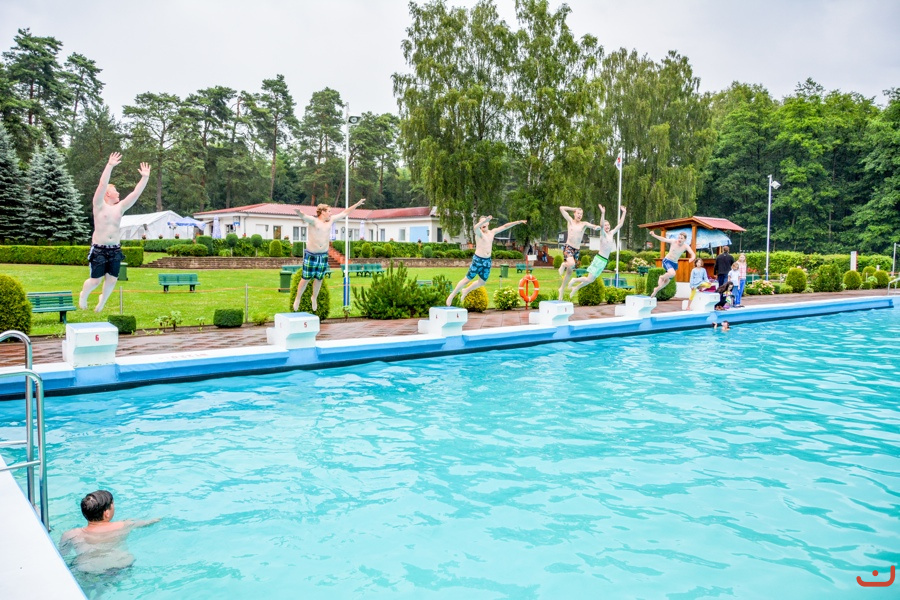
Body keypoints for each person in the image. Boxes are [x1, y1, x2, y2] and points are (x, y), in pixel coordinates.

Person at [79, 153, 150, 312]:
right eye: (115, 190)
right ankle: (84, 295)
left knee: (112, 280)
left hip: (115, 249)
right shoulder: (99, 205)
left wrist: (145, 178)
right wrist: (110, 166)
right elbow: (102, 184)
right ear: (107, 194)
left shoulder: (120, 207)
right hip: (99, 249)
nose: (118, 192)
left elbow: (135, 194)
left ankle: (102, 301)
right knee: (95, 280)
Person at [58, 490, 160, 574]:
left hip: (88, 571)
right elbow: (147, 523)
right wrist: (158, 519)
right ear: (106, 513)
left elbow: (62, 556)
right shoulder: (124, 525)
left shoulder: (71, 534)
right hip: (120, 567)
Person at [292, 198, 365, 312]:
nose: (331, 213)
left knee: (319, 279)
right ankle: (298, 298)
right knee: (305, 278)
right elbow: (304, 217)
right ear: (322, 212)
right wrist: (298, 212)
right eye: (329, 211)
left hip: (323, 255)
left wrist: (357, 204)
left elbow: (345, 213)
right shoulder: (314, 221)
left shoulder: (331, 221)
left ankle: (314, 298)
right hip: (311, 255)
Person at [446, 215, 527, 306]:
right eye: (481, 223)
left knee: (482, 282)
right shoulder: (479, 233)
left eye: (485, 222)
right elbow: (475, 227)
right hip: (478, 260)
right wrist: (484, 220)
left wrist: (518, 222)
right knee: (467, 280)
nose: (483, 224)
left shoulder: (492, 232)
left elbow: (505, 226)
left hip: (487, 261)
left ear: (488, 223)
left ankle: (466, 291)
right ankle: (452, 295)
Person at [568, 204, 627, 295]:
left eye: (608, 225)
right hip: (599, 259)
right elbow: (601, 225)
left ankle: (575, 288)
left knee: (590, 280)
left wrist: (624, 212)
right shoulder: (603, 233)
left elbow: (620, 224)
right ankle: (574, 280)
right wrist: (602, 213)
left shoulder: (611, 233)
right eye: (606, 225)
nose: (607, 226)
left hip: (604, 261)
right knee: (589, 279)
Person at [558, 205, 602, 300]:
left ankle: (561, 289)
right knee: (571, 264)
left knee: (569, 272)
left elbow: (593, 226)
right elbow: (561, 208)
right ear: (574, 214)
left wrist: (597, 227)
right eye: (578, 213)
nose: (579, 215)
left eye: (581, 214)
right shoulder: (570, 221)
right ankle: (563, 264)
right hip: (568, 247)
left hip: (576, 250)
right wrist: (573, 208)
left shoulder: (584, 224)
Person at [647, 231, 696, 298]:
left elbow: (693, 254)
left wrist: (692, 258)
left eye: (681, 238)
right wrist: (654, 235)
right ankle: (661, 277)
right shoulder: (673, 241)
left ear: (685, 239)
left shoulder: (685, 246)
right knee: (672, 273)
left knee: (666, 282)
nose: (679, 239)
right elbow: (663, 239)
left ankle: (656, 289)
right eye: (679, 238)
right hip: (667, 261)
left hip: (674, 264)